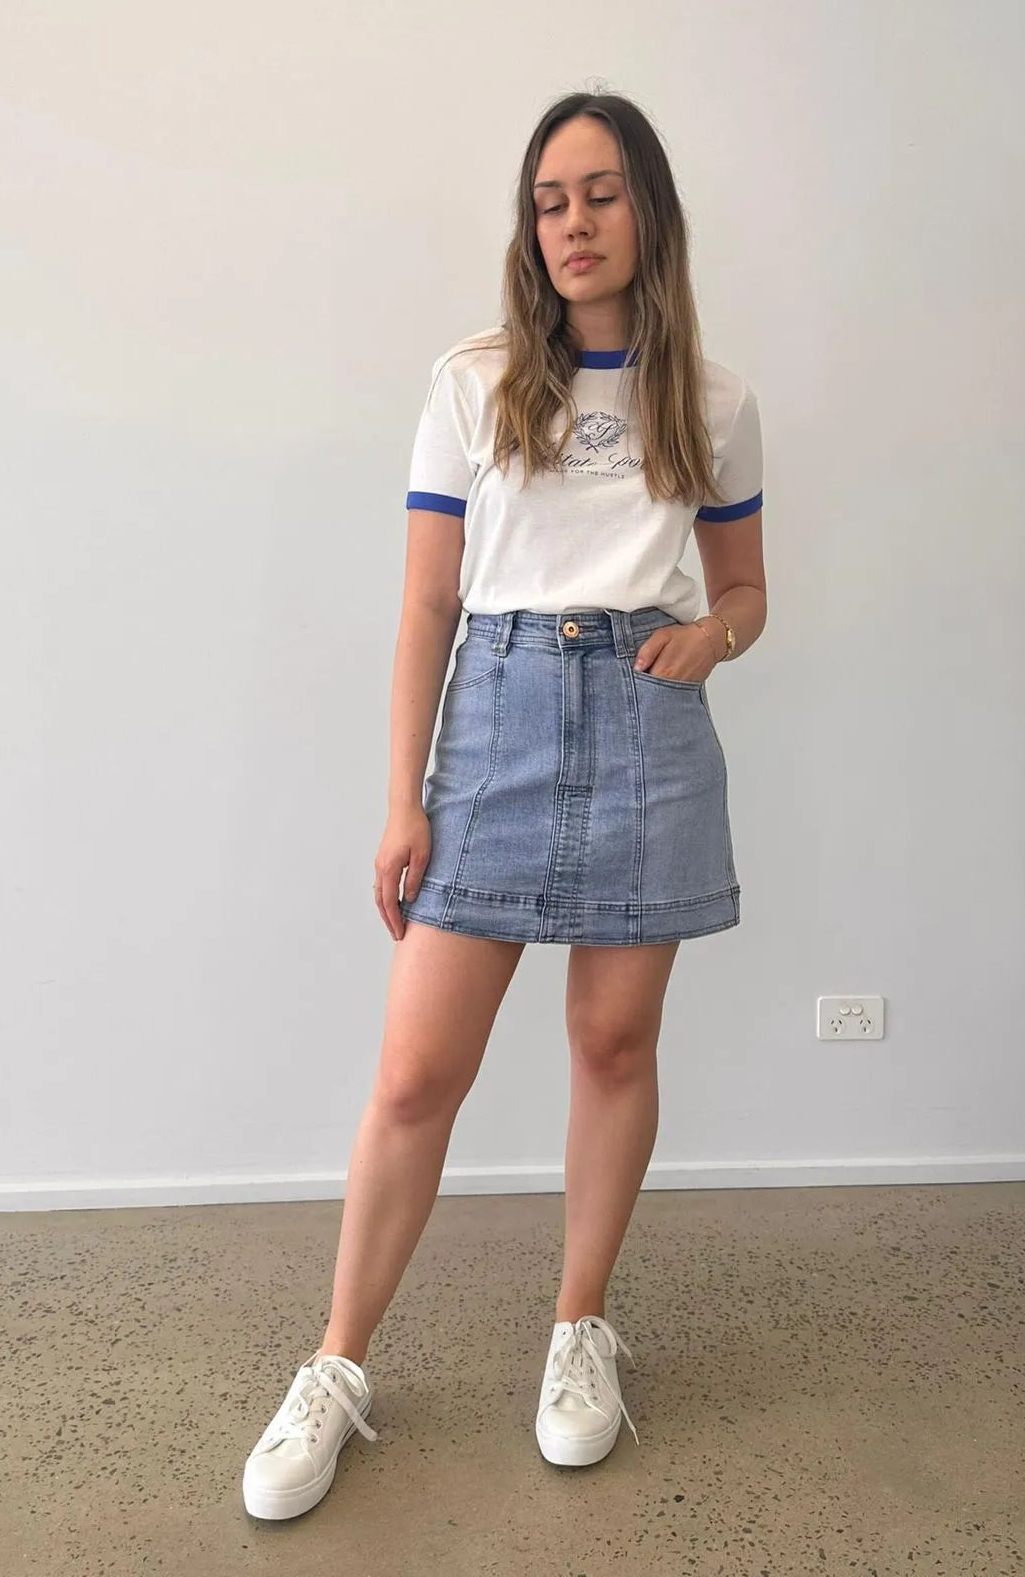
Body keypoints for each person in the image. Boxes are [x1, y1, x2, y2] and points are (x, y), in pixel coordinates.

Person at [241, 88, 767, 1522]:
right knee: (418, 1074)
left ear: (648, 209)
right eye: (549, 201)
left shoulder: (715, 401)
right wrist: (404, 800)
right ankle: (337, 1363)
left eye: (600, 193)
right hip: (497, 721)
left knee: (613, 1044)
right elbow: (427, 605)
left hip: (649, 724)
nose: (573, 223)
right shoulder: (473, 383)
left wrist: (708, 641)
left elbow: (746, 592)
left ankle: (579, 1327)